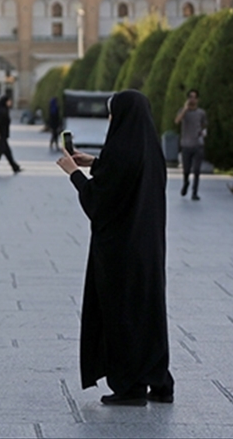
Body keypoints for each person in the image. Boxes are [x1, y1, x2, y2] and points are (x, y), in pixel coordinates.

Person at [55, 90, 173, 406]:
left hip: (120, 250)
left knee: (122, 314)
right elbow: (125, 177)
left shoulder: (120, 151)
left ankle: (130, 387)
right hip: (148, 247)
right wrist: (94, 162)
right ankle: (159, 382)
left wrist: (74, 173)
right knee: (147, 312)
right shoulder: (150, 150)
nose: (110, 119)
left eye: (112, 113)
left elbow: (100, 201)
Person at [174, 89, 207, 201]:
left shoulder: (201, 113)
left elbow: (204, 125)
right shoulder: (183, 111)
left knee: (197, 170)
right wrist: (185, 109)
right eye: (190, 97)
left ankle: (195, 192)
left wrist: (203, 133)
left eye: (194, 97)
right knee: (186, 169)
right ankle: (186, 182)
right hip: (186, 144)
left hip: (198, 144)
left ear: (197, 99)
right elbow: (177, 121)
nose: (192, 100)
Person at [0, 94, 21, 175]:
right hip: (0, 134)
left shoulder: (4, 109)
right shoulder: (1, 111)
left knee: (6, 151)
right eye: (9, 101)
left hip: (3, 134)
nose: (11, 103)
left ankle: (15, 167)